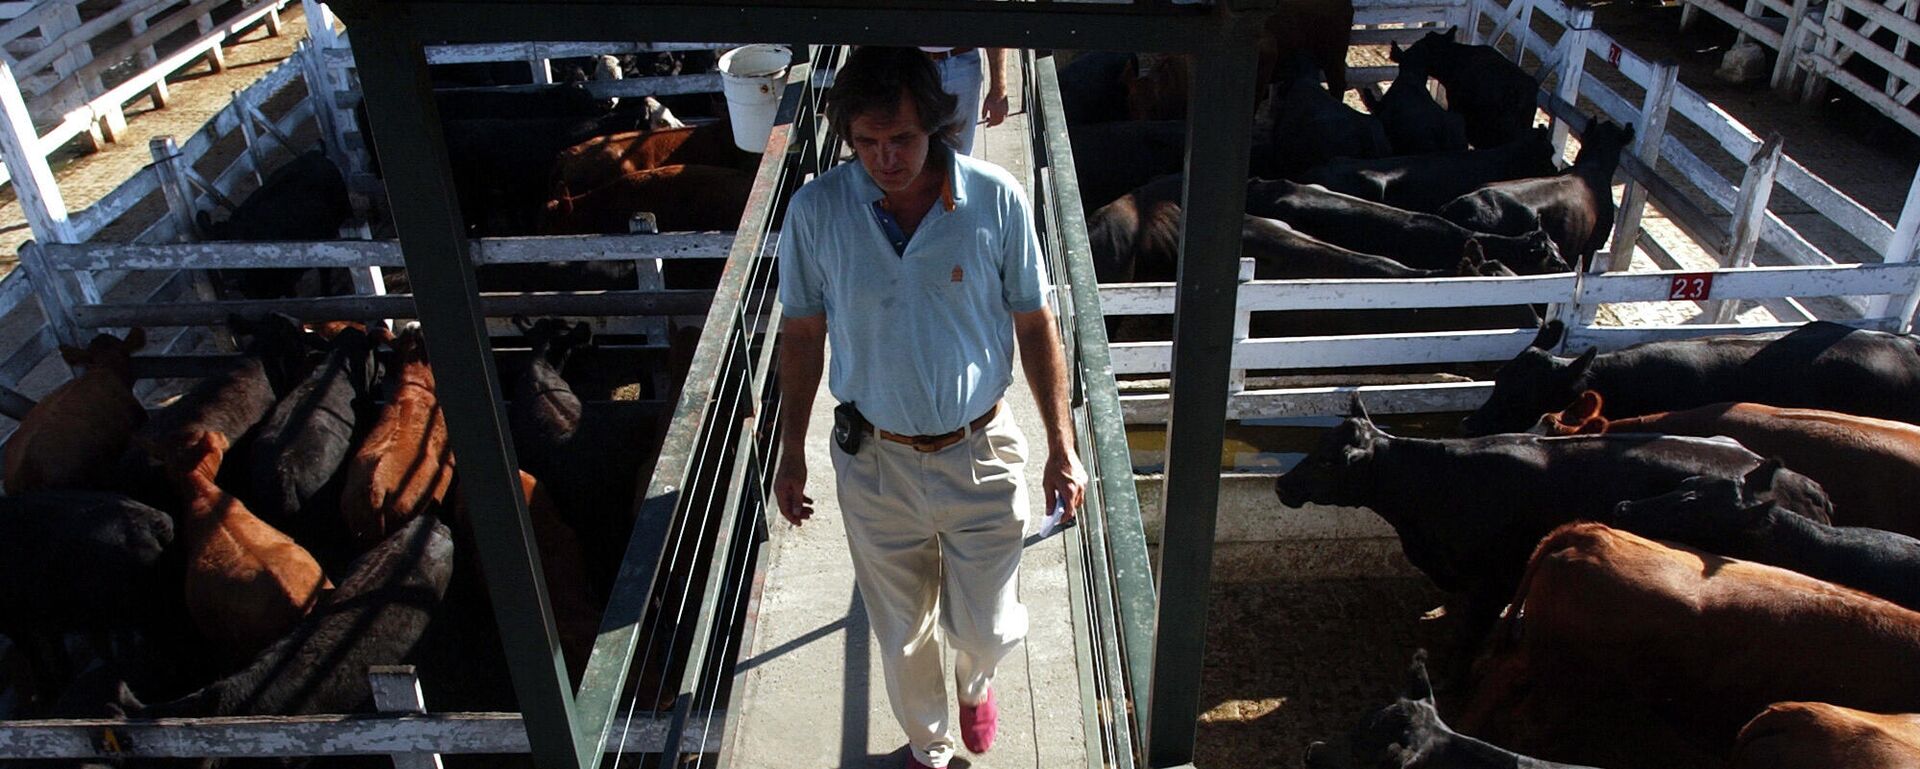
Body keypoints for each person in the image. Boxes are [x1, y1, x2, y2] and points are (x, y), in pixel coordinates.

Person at [773, 46, 1085, 769]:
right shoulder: (816, 211)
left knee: (991, 625)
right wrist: (791, 451)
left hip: (980, 451)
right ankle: (930, 746)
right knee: (900, 630)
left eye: (903, 139)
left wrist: (1061, 445)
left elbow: (1035, 322)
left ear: (938, 126)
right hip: (873, 460)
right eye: (868, 143)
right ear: (848, 138)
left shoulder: (996, 199)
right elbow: (801, 331)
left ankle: (977, 679)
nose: (886, 158)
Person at [920, 46, 1009, 157]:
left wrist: (998, 89)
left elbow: (994, 30)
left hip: (961, 61)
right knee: (909, 149)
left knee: (959, 155)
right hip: (910, 62)